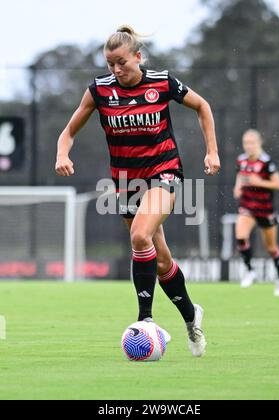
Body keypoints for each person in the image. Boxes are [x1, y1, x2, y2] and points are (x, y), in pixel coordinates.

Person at [55, 25, 220, 356]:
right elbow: (69, 130)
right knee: (161, 261)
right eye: (110, 64)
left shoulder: (161, 82)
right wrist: (62, 153)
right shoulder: (99, 91)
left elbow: (202, 106)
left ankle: (145, 320)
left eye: (122, 63)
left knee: (140, 237)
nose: (116, 70)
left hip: (164, 173)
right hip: (126, 183)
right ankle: (192, 317)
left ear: (138, 57)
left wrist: (212, 150)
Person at [234, 129, 279, 296]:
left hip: (265, 209)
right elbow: (240, 176)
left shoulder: (266, 162)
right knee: (241, 236)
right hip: (247, 206)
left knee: (271, 248)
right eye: (246, 143)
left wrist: (260, 182)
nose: (248, 146)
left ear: (259, 143)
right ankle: (250, 271)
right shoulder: (241, 160)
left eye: (252, 143)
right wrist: (238, 187)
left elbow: (278, 184)